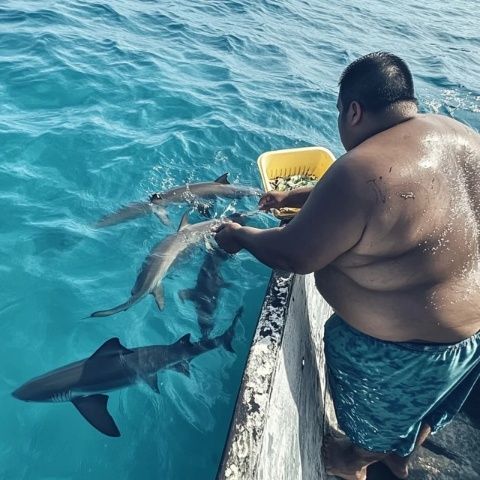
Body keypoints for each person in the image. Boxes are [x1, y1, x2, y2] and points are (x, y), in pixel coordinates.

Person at [214, 52, 480, 480]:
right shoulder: (461, 136)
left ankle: (355, 462)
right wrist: (293, 197)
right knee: (424, 411)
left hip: (403, 354)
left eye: (340, 113)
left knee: (355, 437)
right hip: (469, 341)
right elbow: (397, 190)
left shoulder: (361, 168)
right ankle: (400, 454)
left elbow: (294, 255)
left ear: (353, 110)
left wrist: (240, 237)